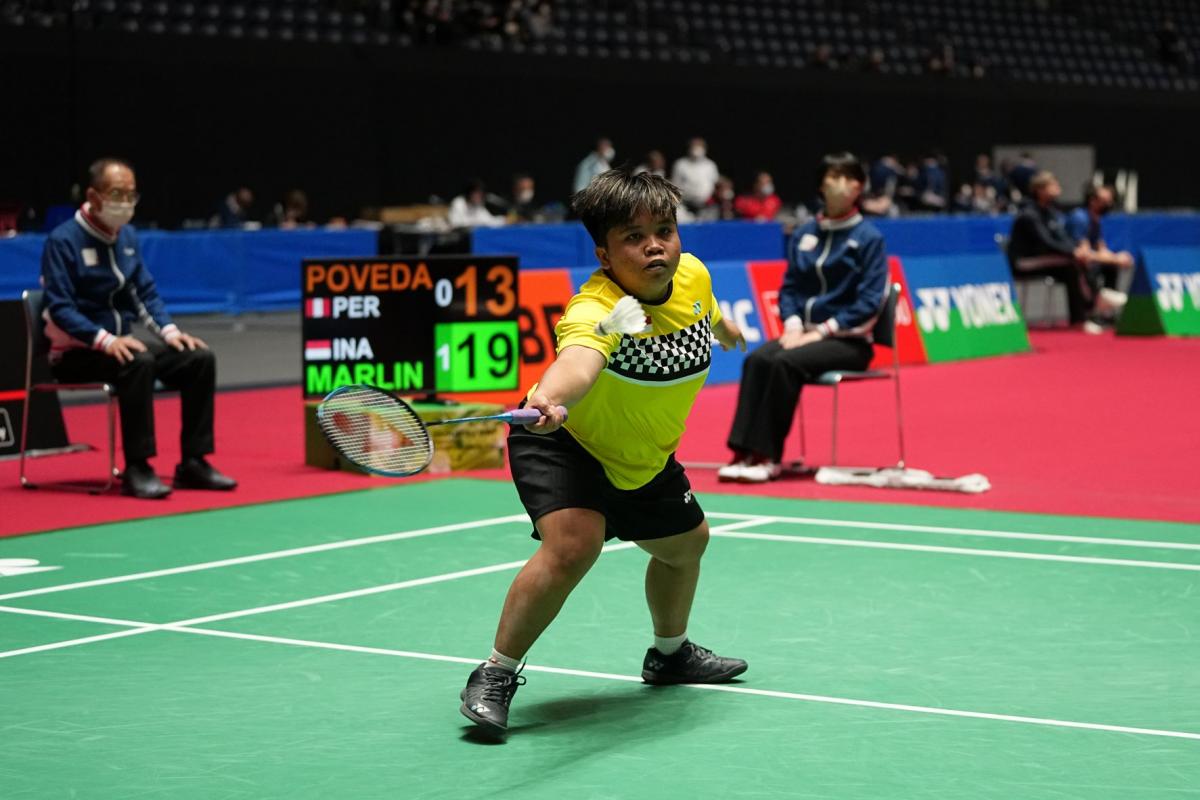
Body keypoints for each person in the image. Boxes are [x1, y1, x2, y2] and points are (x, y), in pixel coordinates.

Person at [458, 169, 748, 740]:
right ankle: (494, 673)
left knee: (687, 545)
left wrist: (725, 325)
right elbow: (579, 361)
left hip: (642, 456)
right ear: (605, 253)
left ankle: (669, 656)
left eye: (664, 230)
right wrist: (550, 398)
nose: (654, 246)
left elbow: (700, 307)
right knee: (574, 544)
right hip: (568, 443)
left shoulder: (692, 275)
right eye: (633, 238)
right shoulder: (598, 308)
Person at [40, 158, 237, 499]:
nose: (125, 202)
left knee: (198, 358)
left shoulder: (126, 236)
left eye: (131, 194)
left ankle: (193, 461)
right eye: (117, 193)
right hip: (76, 353)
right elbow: (59, 308)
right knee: (138, 362)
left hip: (120, 347)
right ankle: (138, 467)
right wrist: (104, 340)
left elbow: (143, 292)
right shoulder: (63, 241)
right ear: (93, 195)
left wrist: (172, 333)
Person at [719, 153, 887, 483]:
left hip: (849, 341)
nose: (839, 183)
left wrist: (822, 331)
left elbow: (870, 302)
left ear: (858, 188)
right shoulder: (805, 233)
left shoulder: (868, 239)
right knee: (757, 360)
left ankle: (767, 456)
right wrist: (794, 324)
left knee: (784, 363)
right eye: (833, 176)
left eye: (847, 177)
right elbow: (790, 288)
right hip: (802, 334)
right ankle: (743, 452)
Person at [1006, 170, 1106, 329]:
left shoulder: (1051, 212)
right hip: (1024, 261)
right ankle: (1084, 315)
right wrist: (1074, 253)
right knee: (1071, 264)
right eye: (1053, 185)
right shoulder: (1029, 214)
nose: (1058, 187)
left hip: (1045, 260)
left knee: (1076, 263)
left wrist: (1077, 250)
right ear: (1040, 190)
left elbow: (1063, 238)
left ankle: (1092, 308)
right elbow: (1047, 242)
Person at [670, 137, 720, 215]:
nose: (696, 149)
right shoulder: (680, 164)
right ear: (689, 148)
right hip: (685, 206)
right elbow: (674, 184)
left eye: (699, 146)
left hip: (706, 206)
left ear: (704, 148)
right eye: (694, 146)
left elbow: (716, 184)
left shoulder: (710, 165)